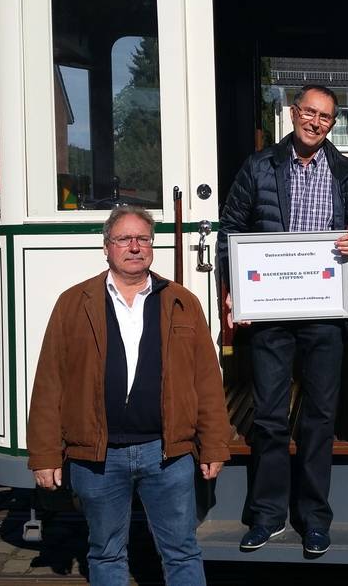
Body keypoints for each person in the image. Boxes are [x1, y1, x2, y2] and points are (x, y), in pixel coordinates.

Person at [27, 206, 231, 586]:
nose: (134, 247)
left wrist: (214, 445)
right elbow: (49, 382)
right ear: (107, 247)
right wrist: (44, 454)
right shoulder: (74, 303)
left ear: (151, 246)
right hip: (97, 457)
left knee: (183, 552)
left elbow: (206, 380)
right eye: (124, 239)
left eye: (142, 239)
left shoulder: (182, 301)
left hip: (167, 454)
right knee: (105, 553)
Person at [216, 84, 348, 553]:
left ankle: (315, 517)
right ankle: (267, 516)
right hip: (271, 314)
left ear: (333, 123)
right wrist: (233, 293)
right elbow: (231, 229)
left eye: (325, 117)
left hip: (325, 314)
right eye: (309, 112)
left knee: (321, 417)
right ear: (292, 113)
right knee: (267, 417)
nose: (315, 122)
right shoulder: (258, 166)